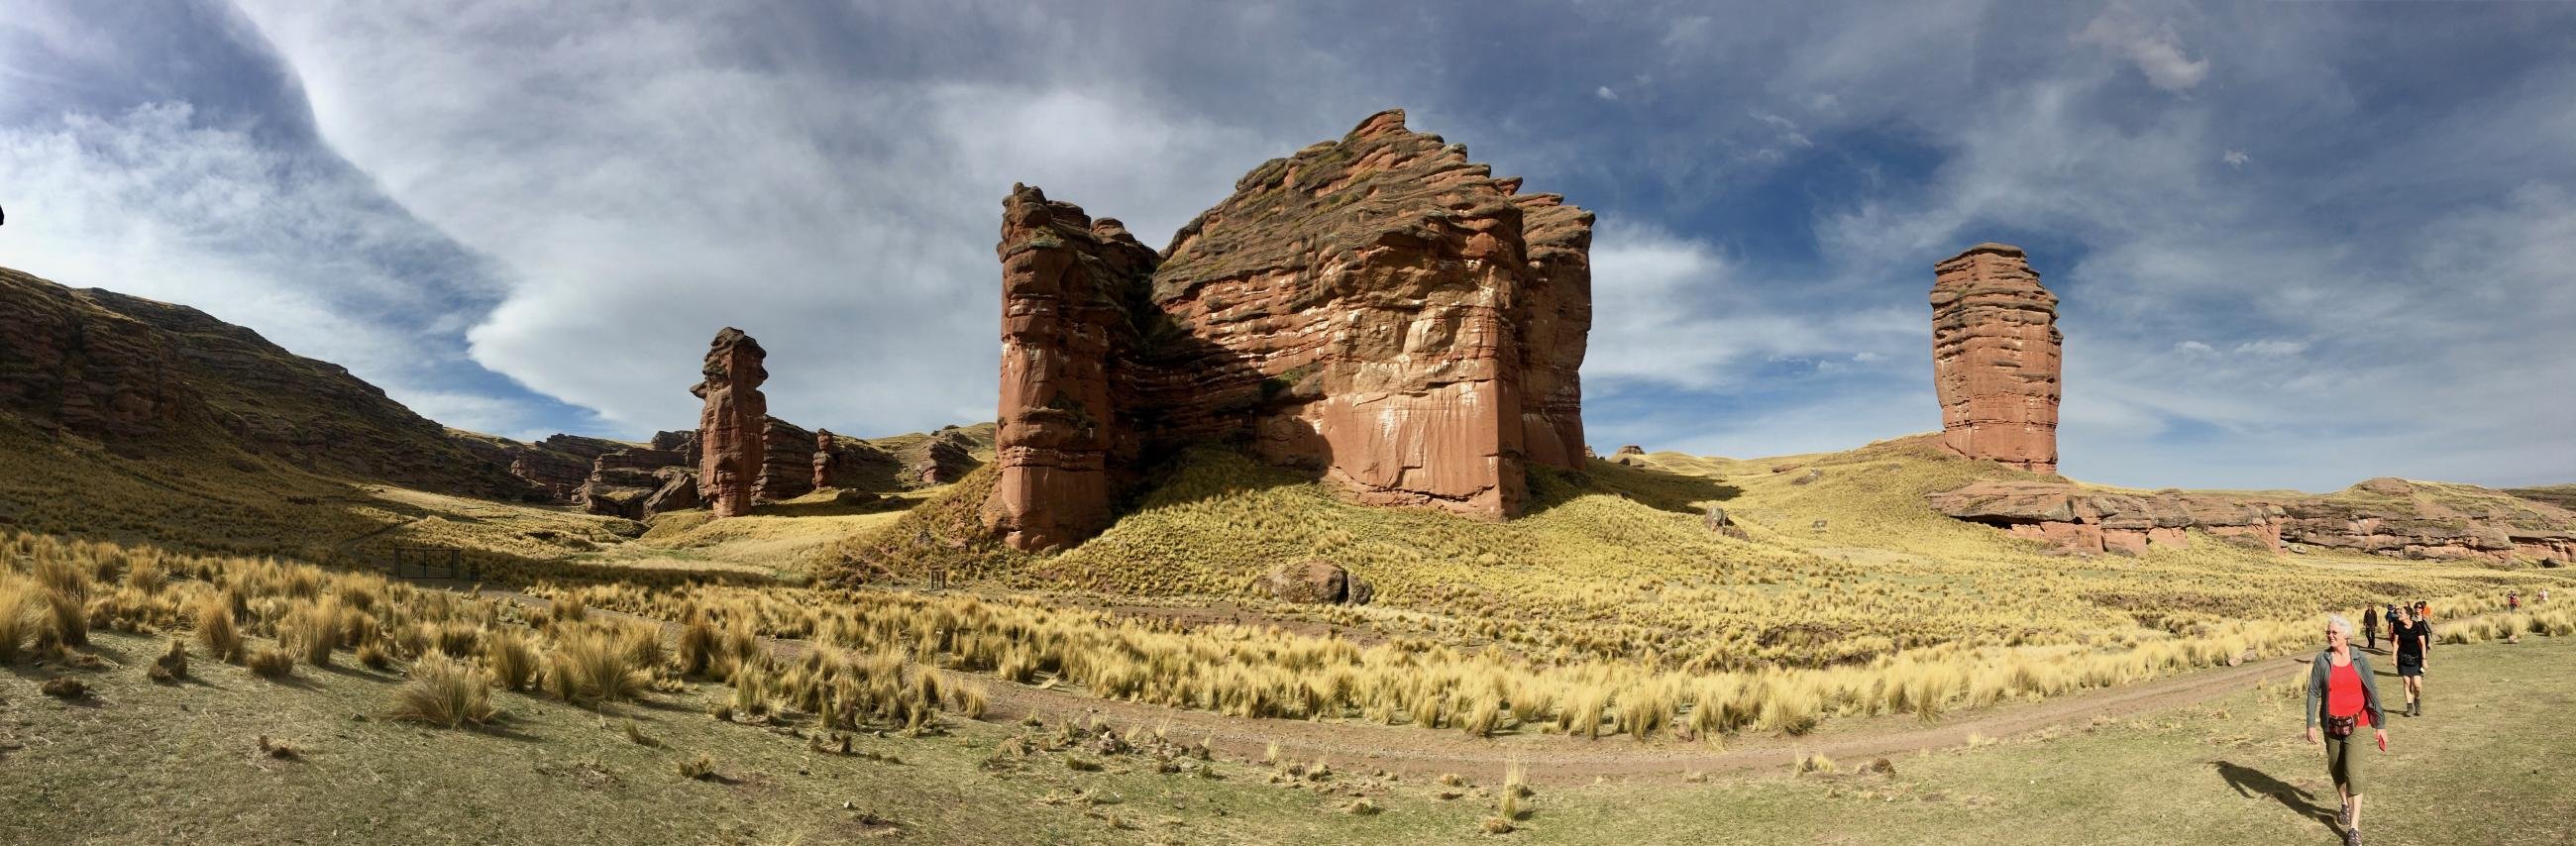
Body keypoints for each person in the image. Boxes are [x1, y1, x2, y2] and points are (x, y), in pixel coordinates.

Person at [2306, 614, 2389, 845]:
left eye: (2334, 632)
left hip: (2357, 723)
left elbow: (2372, 691)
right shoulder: (2323, 659)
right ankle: (2344, 803)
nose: (2330, 635)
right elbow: (2313, 692)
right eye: (2328, 632)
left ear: (2347, 635)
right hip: (2331, 724)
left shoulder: (2360, 659)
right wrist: (2310, 722)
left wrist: (2380, 724)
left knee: (2354, 774)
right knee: (2336, 769)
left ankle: (2354, 827)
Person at [2394, 604, 2429, 717]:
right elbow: (2396, 642)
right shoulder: (2398, 625)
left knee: (2417, 685)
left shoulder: (2417, 626)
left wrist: (2424, 659)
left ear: (2408, 615)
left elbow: (2423, 644)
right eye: (2399, 613)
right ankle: (2409, 708)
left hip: (2417, 659)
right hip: (2403, 658)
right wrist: (2393, 656)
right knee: (2407, 682)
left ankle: (2417, 701)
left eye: (2401, 613)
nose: (2399, 614)